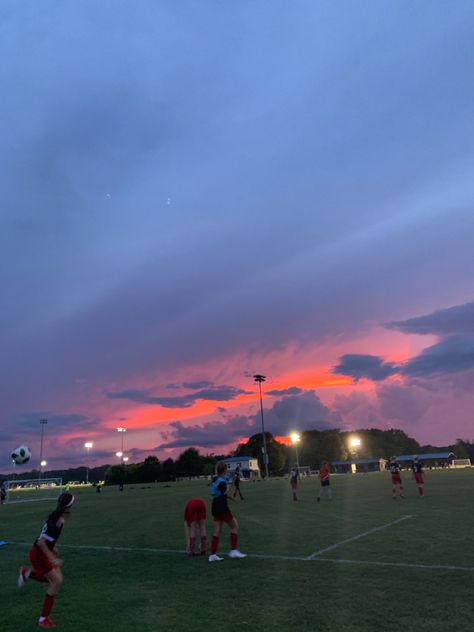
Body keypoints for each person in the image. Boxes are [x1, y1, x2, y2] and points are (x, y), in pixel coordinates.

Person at [17, 492, 75, 628]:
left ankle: (27, 573)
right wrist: (52, 558)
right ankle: (43, 619)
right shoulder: (57, 519)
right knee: (56, 582)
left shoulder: (57, 516)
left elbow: (48, 538)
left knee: (55, 580)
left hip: (40, 552)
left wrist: (53, 548)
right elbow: (42, 542)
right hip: (38, 554)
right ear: (70, 505)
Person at [209, 462, 246, 562]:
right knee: (234, 526)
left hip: (215, 506)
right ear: (224, 470)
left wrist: (229, 495)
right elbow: (224, 493)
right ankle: (233, 550)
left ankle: (212, 555)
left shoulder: (214, 480)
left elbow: (214, 493)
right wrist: (232, 497)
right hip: (222, 506)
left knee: (217, 531)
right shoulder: (222, 481)